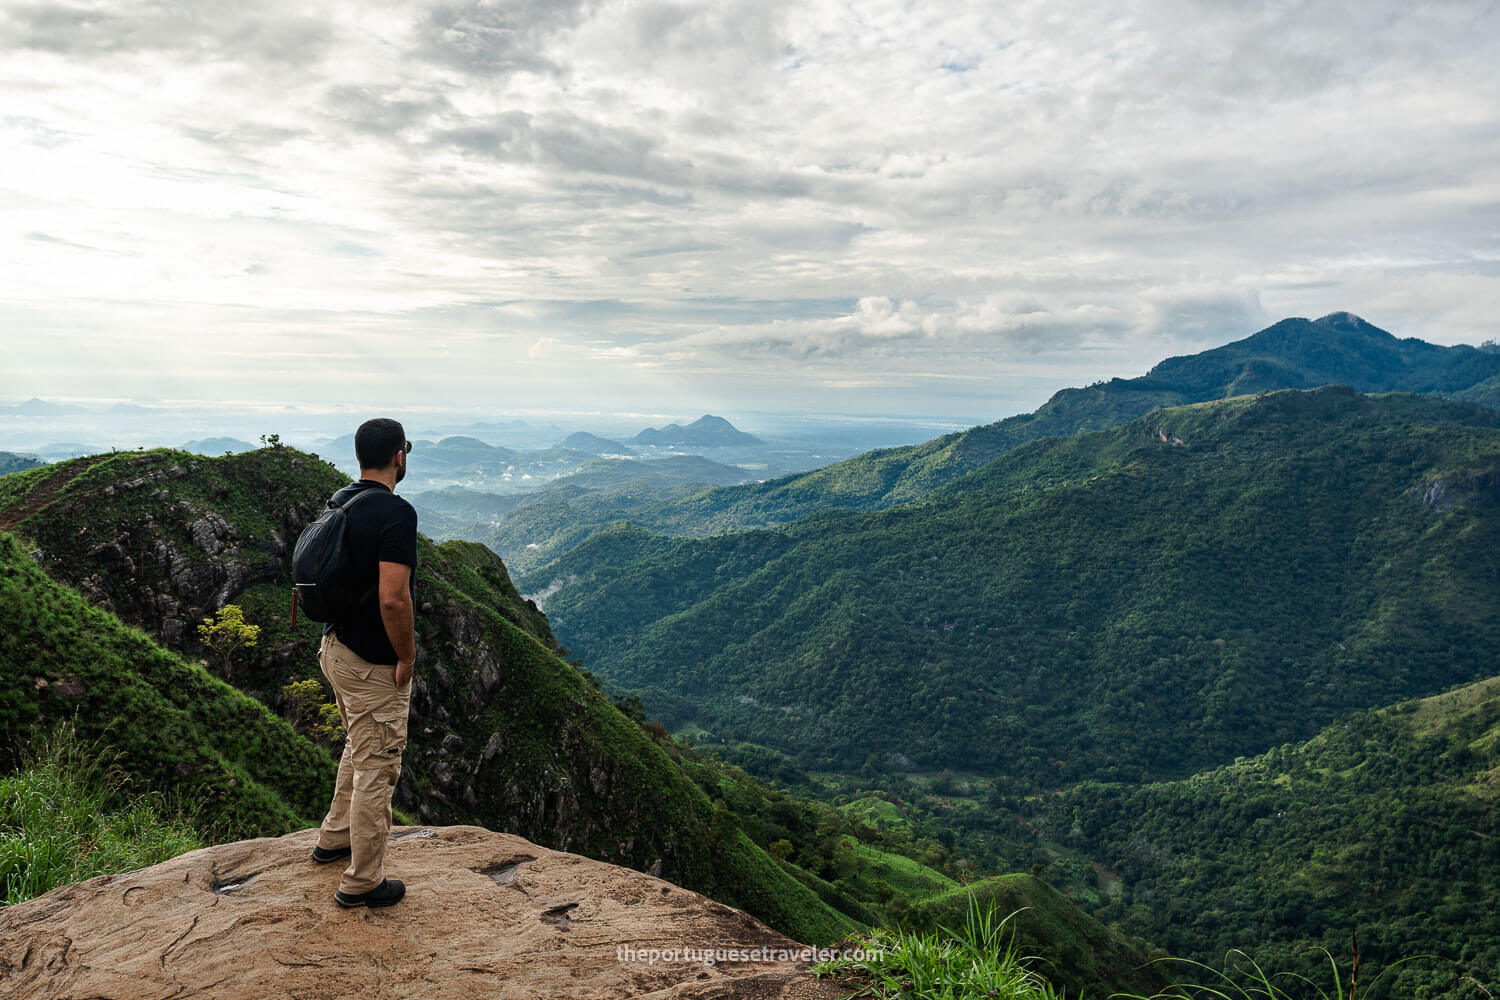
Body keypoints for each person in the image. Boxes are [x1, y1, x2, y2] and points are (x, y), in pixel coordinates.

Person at [309, 417, 419, 908]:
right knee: (379, 765)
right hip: (372, 663)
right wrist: (407, 657)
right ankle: (363, 882)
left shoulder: (341, 500)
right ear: (399, 455)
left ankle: (334, 838)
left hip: (335, 649)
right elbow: (393, 599)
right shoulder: (396, 514)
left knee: (359, 745)